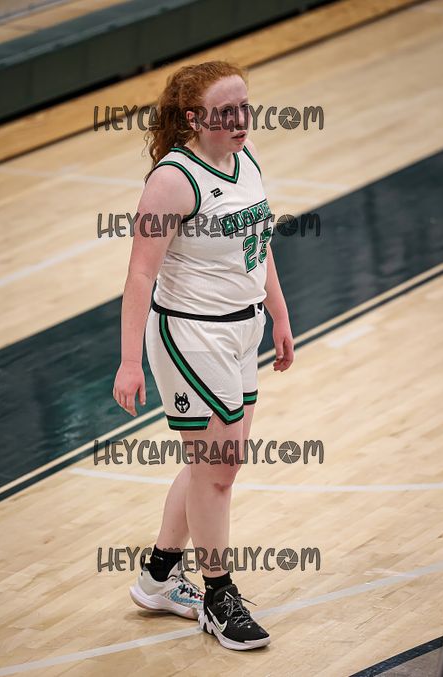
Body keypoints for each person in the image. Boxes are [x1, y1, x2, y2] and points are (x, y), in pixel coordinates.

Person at [113, 60, 294, 651]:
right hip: (192, 336)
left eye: (245, 106)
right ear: (194, 118)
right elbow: (140, 275)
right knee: (220, 468)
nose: (241, 119)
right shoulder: (172, 181)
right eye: (226, 111)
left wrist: (278, 311)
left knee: (212, 463)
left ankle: (159, 578)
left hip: (242, 331)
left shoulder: (246, 158)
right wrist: (130, 362)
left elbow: (258, 242)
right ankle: (219, 595)